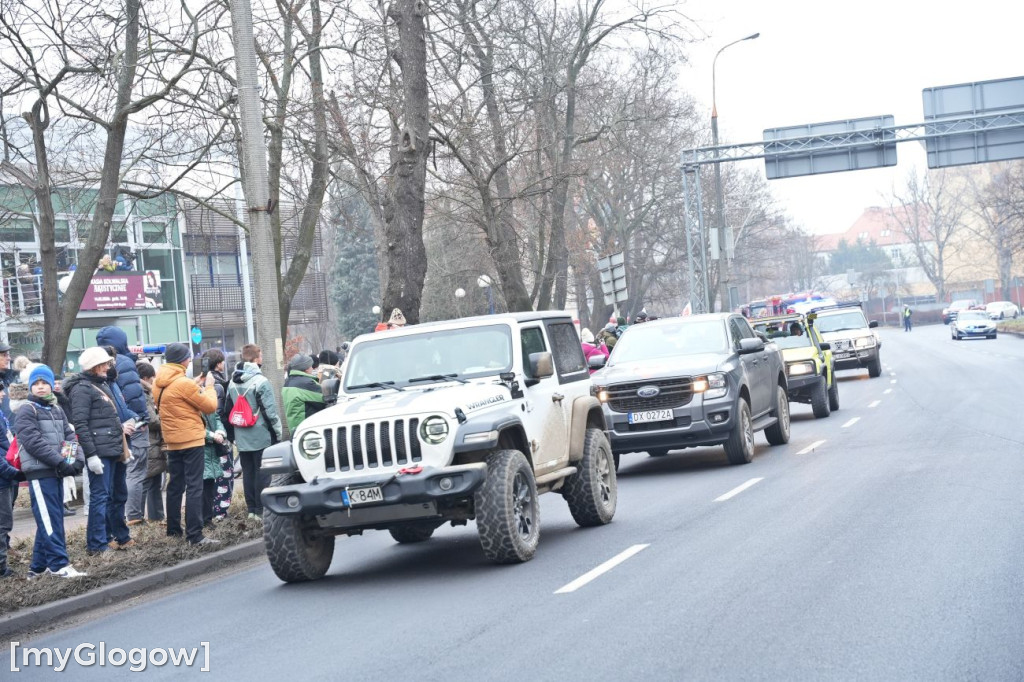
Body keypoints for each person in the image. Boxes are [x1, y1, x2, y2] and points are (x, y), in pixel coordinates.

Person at [15, 364, 86, 578]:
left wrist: (75, 460)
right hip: (40, 472)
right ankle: (58, 565)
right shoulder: (27, 409)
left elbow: (70, 436)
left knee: (51, 517)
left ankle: (37, 568)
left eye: (44, 383)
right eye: (35, 384)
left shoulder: (56, 409)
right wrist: (60, 462)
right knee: (50, 519)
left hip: (55, 470)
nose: (40, 387)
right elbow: (33, 442)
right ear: (30, 387)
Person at [63, 347, 134, 555]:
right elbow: (81, 424)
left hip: (112, 450)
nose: (108, 367)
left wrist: (123, 448)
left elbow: (107, 420)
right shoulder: (82, 389)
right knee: (100, 498)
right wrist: (91, 455)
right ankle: (96, 545)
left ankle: (115, 538)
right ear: (95, 367)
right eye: (104, 364)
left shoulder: (98, 385)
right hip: (100, 453)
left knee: (116, 494)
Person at [153, 343, 220, 546]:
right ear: (183, 360)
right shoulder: (184, 384)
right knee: (194, 486)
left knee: (175, 486)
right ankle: (195, 535)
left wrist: (194, 383)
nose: (190, 360)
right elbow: (210, 406)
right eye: (189, 357)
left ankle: (173, 530)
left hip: (172, 440)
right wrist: (208, 386)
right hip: (191, 440)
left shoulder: (160, 382)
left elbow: (178, 394)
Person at [97, 328, 150, 526]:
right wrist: (140, 419)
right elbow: (133, 395)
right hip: (131, 426)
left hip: (113, 427)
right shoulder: (125, 362)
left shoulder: (98, 364)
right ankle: (134, 516)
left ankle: (121, 522)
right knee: (135, 470)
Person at [224, 343, 282, 521]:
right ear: (256, 359)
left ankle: (251, 510)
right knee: (262, 472)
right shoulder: (261, 382)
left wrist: (232, 435)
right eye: (261, 356)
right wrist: (277, 433)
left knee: (248, 473)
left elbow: (227, 410)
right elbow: (270, 412)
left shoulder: (233, 381)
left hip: (242, 435)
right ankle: (262, 511)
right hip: (261, 434)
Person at [136, 361, 165, 523]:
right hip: (149, 442)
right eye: (152, 378)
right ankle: (139, 517)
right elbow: (152, 420)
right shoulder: (143, 393)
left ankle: (156, 516)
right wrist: (167, 418)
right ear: (146, 378)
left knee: (154, 481)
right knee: (147, 481)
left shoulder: (141, 392)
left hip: (150, 442)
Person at [0, 382, 22, 578]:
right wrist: (11, 471)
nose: (2, 394)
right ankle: (1, 569)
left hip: (6, 474)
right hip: (3, 476)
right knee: (2, 523)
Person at [282, 354, 325, 432]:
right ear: (306, 369)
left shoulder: (287, 383)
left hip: (294, 428)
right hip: (307, 430)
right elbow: (325, 400)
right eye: (311, 366)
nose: (312, 368)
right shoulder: (307, 384)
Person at [201, 404, 229, 526]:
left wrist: (220, 432)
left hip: (212, 450)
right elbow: (193, 427)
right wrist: (212, 435)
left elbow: (216, 417)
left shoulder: (205, 396)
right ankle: (203, 519)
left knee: (210, 484)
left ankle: (208, 518)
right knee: (202, 486)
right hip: (200, 448)